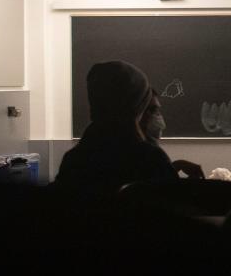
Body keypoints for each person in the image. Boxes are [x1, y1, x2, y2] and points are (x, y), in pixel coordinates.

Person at [54, 61, 175, 193]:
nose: (153, 116)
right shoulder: (150, 159)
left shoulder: (75, 159)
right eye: (148, 109)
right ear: (137, 108)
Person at [141, 90, 205, 179]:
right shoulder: (147, 153)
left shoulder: (146, 152)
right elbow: (158, 190)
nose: (158, 116)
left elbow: (156, 179)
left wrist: (175, 166)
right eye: (153, 110)